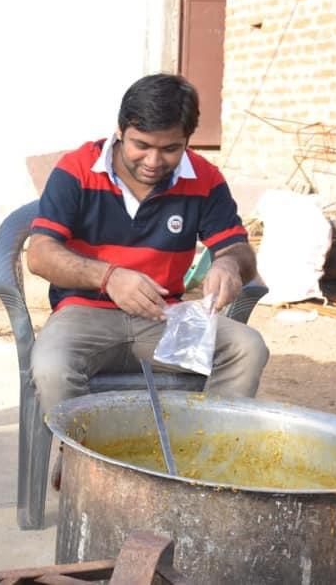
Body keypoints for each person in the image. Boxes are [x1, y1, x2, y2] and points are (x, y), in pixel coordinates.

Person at [26, 73, 269, 484]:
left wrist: (228, 265)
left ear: (187, 141)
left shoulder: (205, 179)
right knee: (51, 366)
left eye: (171, 149)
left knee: (247, 347)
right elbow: (39, 253)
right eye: (142, 145)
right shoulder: (77, 169)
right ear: (120, 131)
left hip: (164, 319)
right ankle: (81, 460)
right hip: (83, 314)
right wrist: (108, 277)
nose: (154, 161)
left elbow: (237, 249)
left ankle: (204, 464)